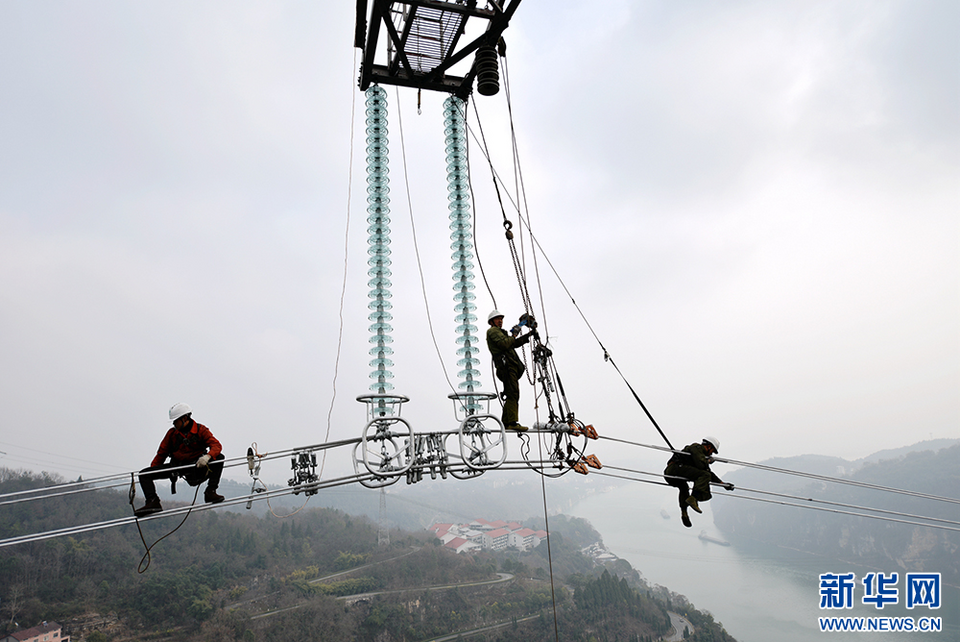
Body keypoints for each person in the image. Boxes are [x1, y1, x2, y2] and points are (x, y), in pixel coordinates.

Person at [134, 403, 225, 517]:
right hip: (177, 467)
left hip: (197, 467)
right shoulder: (172, 434)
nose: (174, 423)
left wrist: (207, 457)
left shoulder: (200, 430)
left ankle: (210, 492)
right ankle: (153, 502)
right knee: (144, 474)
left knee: (219, 458)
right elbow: (161, 454)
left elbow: (216, 445)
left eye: (176, 421)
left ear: (185, 418)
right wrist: (153, 471)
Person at [663, 436, 734, 528]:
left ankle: (684, 513)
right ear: (709, 446)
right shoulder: (696, 447)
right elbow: (702, 466)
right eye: (712, 451)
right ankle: (693, 498)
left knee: (684, 488)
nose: (711, 453)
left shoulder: (700, 455)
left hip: (673, 474)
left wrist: (723, 484)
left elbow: (708, 472)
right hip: (675, 469)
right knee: (704, 475)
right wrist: (708, 461)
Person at [486, 309, 536, 432]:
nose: (500, 321)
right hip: (506, 367)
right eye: (498, 319)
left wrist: (528, 335)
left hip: (510, 367)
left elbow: (512, 343)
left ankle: (507, 422)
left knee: (511, 393)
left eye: (501, 319)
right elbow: (505, 344)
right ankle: (511, 422)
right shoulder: (492, 331)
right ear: (492, 321)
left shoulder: (501, 333)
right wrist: (514, 334)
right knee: (513, 393)